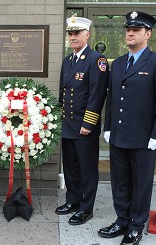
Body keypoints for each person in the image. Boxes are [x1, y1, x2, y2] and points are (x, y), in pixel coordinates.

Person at [98, 11, 156, 245]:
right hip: (119, 135)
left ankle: (136, 226)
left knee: (141, 184)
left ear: (147, 34)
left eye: (136, 30)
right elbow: (112, 99)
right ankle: (122, 220)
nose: (130, 33)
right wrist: (108, 126)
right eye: (128, 29)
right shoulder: (119, 63)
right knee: (119, 181)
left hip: (144, 138)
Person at [55, 15, 109, 225]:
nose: (73, 37)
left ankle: (86, 208)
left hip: (84, 127)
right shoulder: (68, 61)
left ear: (87, 34)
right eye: (70, 33)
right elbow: (63, 93)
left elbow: (97, 95)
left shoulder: (97, 60)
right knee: (71, 167)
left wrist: (88, 123)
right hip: (68, 125)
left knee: (87, 170)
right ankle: (73, 200)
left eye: (77, 33)